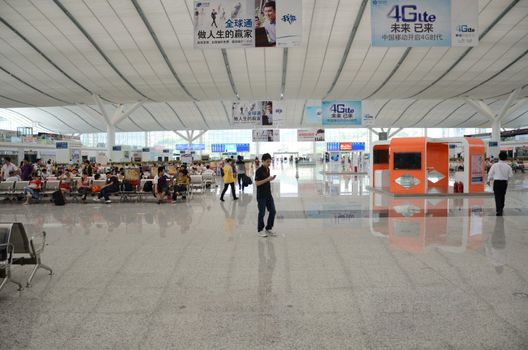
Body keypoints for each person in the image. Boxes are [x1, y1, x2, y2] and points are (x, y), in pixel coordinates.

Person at [254, 153, 277, 237]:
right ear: (262, 161)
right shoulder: (259, 171)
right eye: (267, 162)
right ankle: (260, 229)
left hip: (268, 194)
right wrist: (267, 179)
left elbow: (266, 181)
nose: (269, 163)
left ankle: (268, 227)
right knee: (262, 213)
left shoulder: (268, 169)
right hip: (261, 196)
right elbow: (257, 183)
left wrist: (270, 179)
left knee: (273, 211)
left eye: (270, 162)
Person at [487, 151, 513, 216]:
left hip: (497, 183)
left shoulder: (494, 165)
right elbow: (510, 176)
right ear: (506, 158)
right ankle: (501, 207)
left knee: (497, 197)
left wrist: (488, 180)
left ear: (499, 157)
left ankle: (499, 210)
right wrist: (507, 180)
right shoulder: (508, 166)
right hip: (504, 183)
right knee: (502, 195)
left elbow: (490, 173)